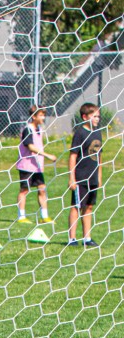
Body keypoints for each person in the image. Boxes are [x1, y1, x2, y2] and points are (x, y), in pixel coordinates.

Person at [67, 102, 103, 247]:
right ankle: (72, 238)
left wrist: (99, 176)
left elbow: (99, 156)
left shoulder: (98, 132)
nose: (97, 119)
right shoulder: (80, 133)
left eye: (98, 116)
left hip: (92, 177)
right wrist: (72, 178)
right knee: (76, 206)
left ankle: (87, 238)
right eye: (94, 116)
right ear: (84, 117)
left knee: (89, 207)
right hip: (81, 177)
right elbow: (72, 156)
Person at [15, 105, 56, 224]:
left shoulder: (39, 129)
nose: (43, 117)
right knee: (24, 190)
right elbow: (31, 147)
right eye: (41, 115)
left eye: (44, 115)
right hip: (27, 165)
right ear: (33, 116)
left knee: (42, 189)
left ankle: (45, 216)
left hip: (37, 166)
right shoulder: (28, 129)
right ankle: (21, 217)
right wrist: (47, 155)